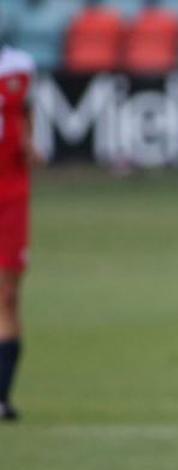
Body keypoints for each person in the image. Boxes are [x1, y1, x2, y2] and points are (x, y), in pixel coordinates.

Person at [0, 40, 35, 421]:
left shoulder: (20, 67)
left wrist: (29, 140)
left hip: (10, 193)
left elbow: (27, 111)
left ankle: (2, 396)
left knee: (8, 296)